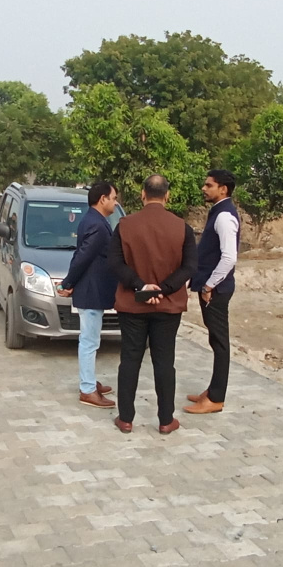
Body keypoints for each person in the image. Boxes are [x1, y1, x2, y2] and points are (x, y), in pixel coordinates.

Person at [107, 174, 198, 435]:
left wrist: (140, 285)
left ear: (143, 194)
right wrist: (165, 288)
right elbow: (190, 266)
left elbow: (114, 263)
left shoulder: (125, 225)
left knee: (130, 359)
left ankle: (126, 418)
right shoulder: (182, 228)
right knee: (165, 362)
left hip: (133, 304)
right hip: (168, 306)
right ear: (167, 195)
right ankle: (166, 420)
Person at [57, 182, 119, 409]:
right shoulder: (97, 225)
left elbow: (81, 255)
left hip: (92, 289)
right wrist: (68, 283)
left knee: (91, 340)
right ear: (102, 199)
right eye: (113, 198)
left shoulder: (94, 220)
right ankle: (87, 389)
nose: (116, 203)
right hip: (91, 290)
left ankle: (90, 380)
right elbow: (82, 257)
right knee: (89, 341)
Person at [185, 169, 240, 414]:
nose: (204, 189)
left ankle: (216, 398)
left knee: (220, 342)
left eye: (209, 185)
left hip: (215, 290)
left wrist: (209, 285)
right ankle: (212, 391)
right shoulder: (218, 212)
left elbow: (229, 258)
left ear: (223, 189)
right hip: (212, 288)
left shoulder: (224, 217)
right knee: (215, 340)